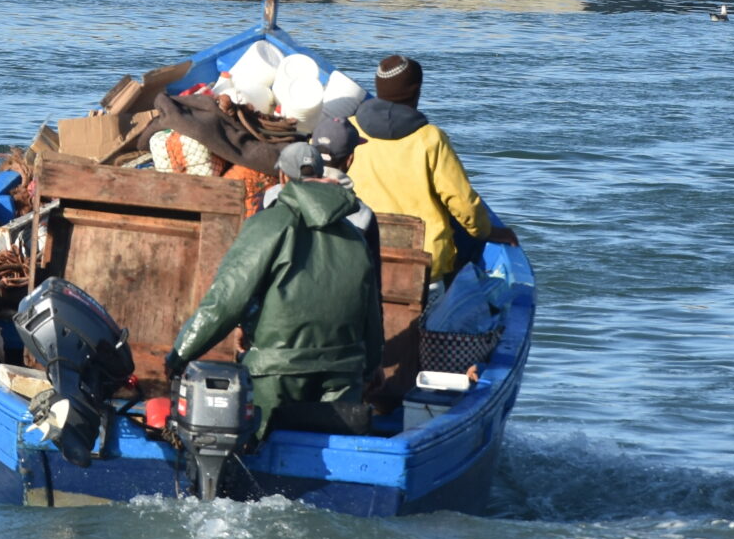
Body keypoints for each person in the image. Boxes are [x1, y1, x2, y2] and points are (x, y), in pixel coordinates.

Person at [165, 143, 383, 440]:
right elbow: (371, 312)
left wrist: (179, 356)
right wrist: (368, 369)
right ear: (320, 174)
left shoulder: (267, 224)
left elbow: (225, 302)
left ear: (281, 178)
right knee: (331, 450)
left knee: (260, 450)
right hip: (344, 372)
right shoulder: (354, 235)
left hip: (276, 371)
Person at [345, 53, 516, 288]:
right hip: (422, 265)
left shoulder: (350, 130)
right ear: (415, 92)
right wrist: (486, 231)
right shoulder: (430, 139)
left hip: (358, 252)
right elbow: (462, 202)